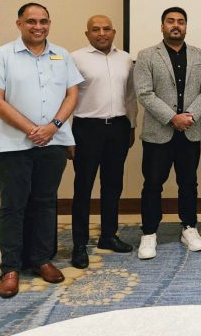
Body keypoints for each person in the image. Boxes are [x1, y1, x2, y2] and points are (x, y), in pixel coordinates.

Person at [0, 2, 83, 298]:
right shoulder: (1, 56)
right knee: (13, 205)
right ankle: (10, 268)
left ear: (49, 23)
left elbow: (72, 94)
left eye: (44, 21)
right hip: (14, 145)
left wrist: (54, 126)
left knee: (45, 202)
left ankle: (41, 259)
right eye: (32, 21)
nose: (38, 27)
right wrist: (31, 129)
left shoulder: (61, 55)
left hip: (54, 142)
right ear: (19, 24)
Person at [133, 6, 201, 260]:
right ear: (162, 26)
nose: (176, 25)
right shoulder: (146, 55)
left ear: (186, 26)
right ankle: (149, 233)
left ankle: (189, 227)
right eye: (170, 21)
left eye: (180, 21)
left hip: (190, 130)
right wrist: (172, 118)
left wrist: (189, 116)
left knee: (188, 183)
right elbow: (144, 93)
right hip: (158, 132)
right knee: (152, 184)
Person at [70, 15, 138, 269]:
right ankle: (79, 244)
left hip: (118, 127)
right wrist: (65, 136)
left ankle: (108, 236)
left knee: (113, 185)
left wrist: (131, 125)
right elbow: (66, 97)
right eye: (95, 29)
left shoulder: (126, 59)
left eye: (106, 29)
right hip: (87, 129)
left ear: (114, 32)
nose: (101, 33)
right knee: (83, 187)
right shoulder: (75, 58)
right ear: (87, 34)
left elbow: (130, 96)